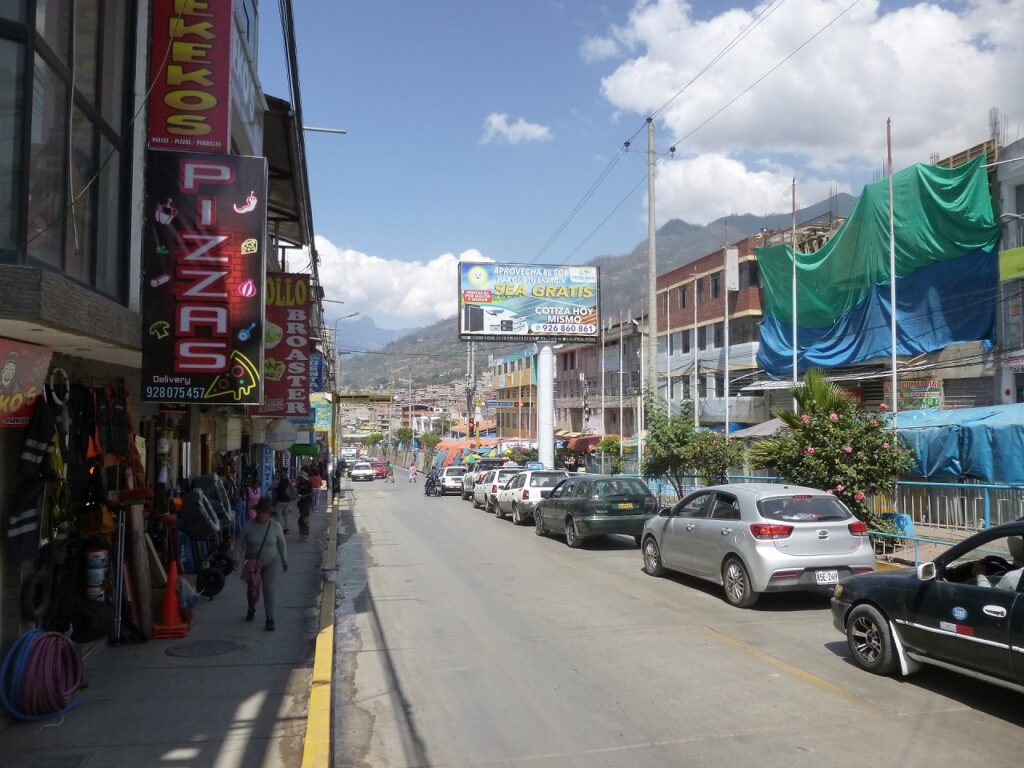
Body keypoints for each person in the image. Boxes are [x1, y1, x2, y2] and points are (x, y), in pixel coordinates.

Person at [238, 499, 287, 631]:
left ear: (269, 514)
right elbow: (240, 543)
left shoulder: (275, 526)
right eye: (259, 512)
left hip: (270, 562)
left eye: (264, 513)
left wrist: (284, 559)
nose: (260, 515)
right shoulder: (248, 526)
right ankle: (251, 608)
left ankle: (269, 617)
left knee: (268, 589)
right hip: (252, 565)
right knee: (252, 590)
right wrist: (236, 559)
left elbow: (281, 544)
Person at [272, 469, 293, 533]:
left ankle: (277, 528)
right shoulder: (288, 480)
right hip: (287, 500)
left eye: (281, 472)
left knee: (278, 515)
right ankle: (286, 528)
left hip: (280, 500)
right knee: (286, 515)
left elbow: (271, 487)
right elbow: (292, 489)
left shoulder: (278, 480)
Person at [295, 469, 313, 539]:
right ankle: (302, 530)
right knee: (301, 517)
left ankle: (306, 531)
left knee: (304, 517)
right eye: (299, 478)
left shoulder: (309, 483)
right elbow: (298, 491)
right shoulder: (299, 483)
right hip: (301, 501)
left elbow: (312, 492)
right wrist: (297, 494)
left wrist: (305, 495)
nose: (299, 479)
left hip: (307, 501)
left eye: (300, 478)